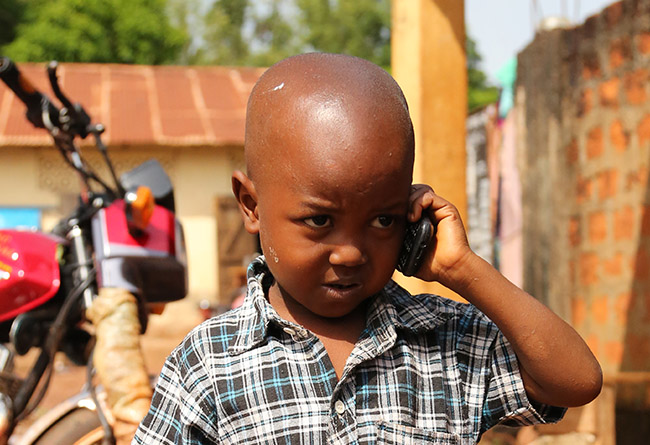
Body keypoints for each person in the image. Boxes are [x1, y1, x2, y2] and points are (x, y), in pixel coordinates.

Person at [133, 53, 602, 444]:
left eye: (383, 220)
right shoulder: (208, 363)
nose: (351, 253)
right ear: (251, 205)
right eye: (319, 220)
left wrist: (462, 268)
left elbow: (576, 381)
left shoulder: (445, 339)